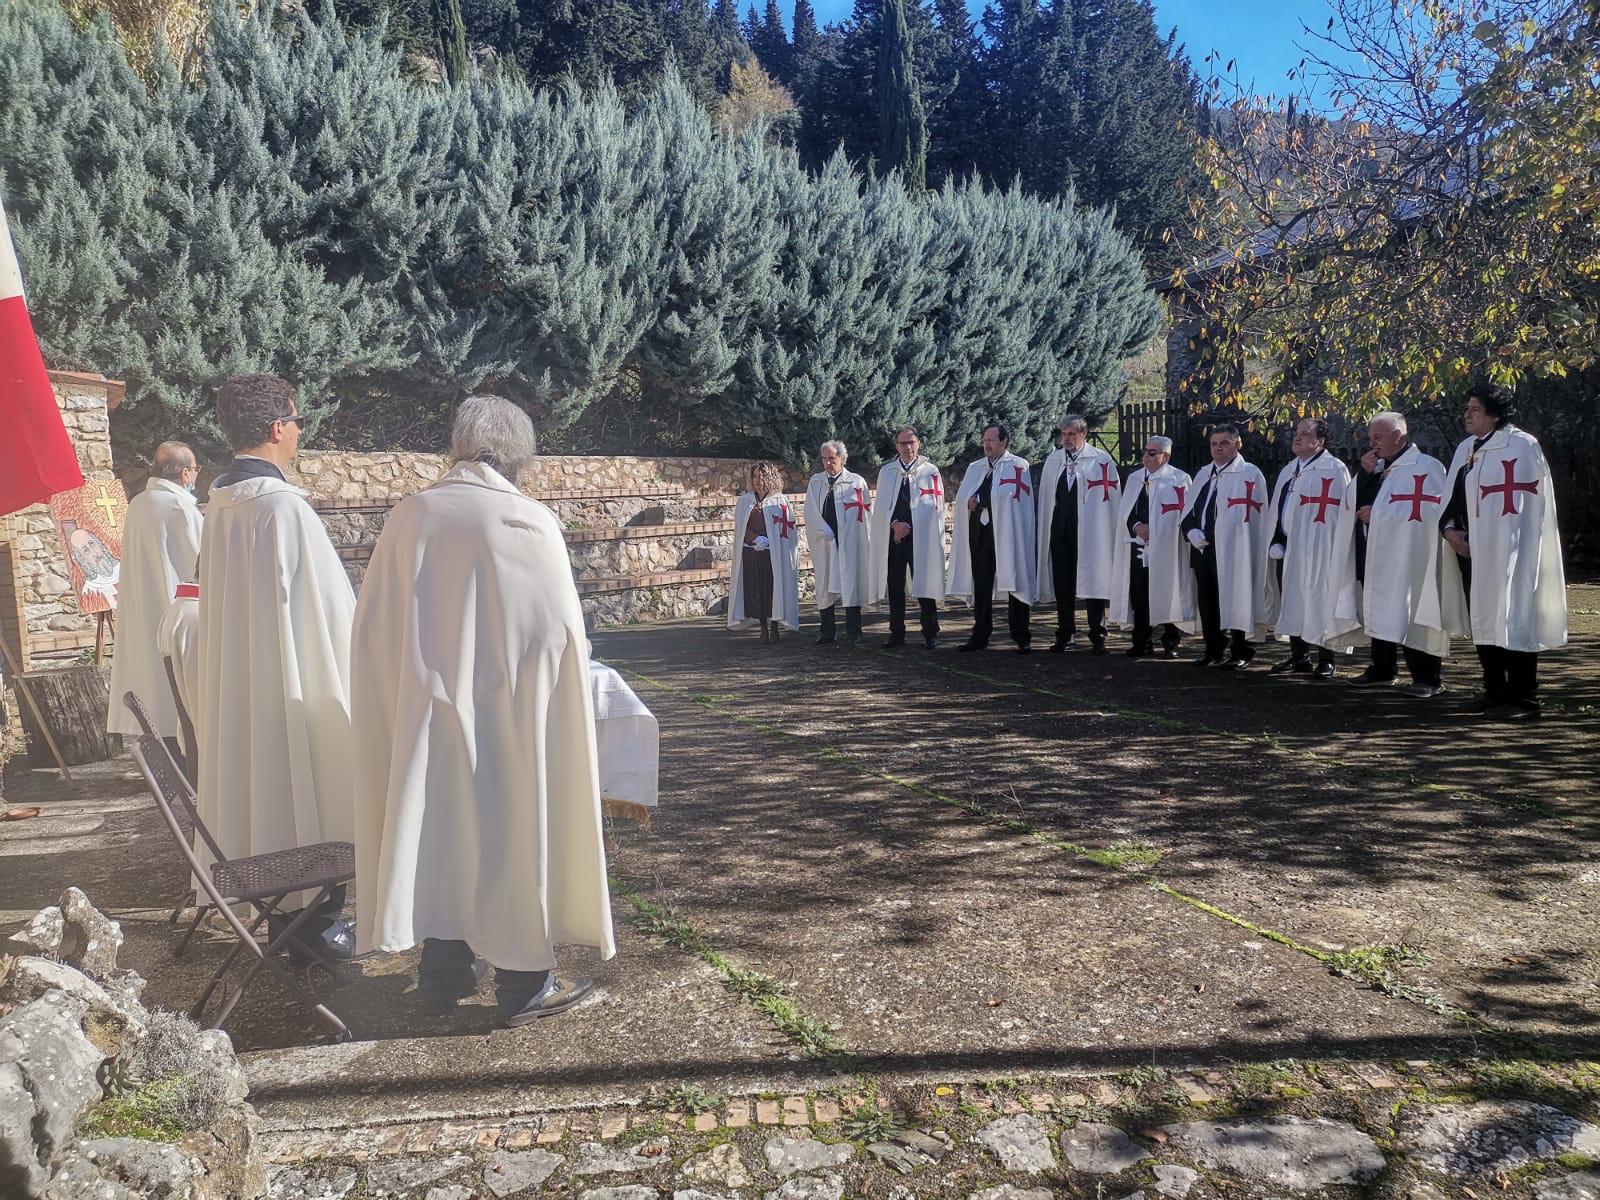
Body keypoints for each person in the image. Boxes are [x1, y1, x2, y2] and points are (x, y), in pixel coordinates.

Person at [352, 396, 613, 1024]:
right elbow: (560, 635)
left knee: (443, 832)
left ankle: (441, 977)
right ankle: (524, 985)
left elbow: (372, 628)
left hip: (426, 718)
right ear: (517, 457)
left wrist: (406, 694)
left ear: (458, 446)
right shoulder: (529, 521)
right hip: (510, 718)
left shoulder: (411, 515)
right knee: (513, 833)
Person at [195, 374, 355, 962]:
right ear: (276, 428)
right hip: (293, 682)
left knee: (270, 788)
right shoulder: (284, 509)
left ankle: (287, 927)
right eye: (297, 421)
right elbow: (335, 613)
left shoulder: (218, 507)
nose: (299, 433)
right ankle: (318, 927)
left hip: (245, 687)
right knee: (312, 779)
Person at [1439, 384, 1567, 718]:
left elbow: (1528, 503)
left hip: (1510, 551)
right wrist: (1450, 531)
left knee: (1513, 613)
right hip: (1473, 551)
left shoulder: (1522, 445)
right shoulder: (1469, 448)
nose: (1467, 415)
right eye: (1467, 409)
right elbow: (1453, 497)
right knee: (1484, 618)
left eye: (1475, 410)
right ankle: (1494, 691)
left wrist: (1505, 545)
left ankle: (1524, 699)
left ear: (1495, 414)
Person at [1337, 412, 1449, 696]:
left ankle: (1426, 678)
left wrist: (1379, 514)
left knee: (1414, 612)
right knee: (1381, 607)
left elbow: (1429, 511)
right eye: (1370, 437)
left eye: (1378, 437)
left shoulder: (1426, 467)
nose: (1372, 444)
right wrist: (1363, 474)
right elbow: (1352, 502)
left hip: (1411, 555)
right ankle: (1382, 669)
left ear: (1397, 436)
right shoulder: (1379, 466)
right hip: (1378, 552)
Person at [106, 441, 203, 767]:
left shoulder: (139, 503)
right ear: (186, 472)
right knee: (177, 696)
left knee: (153, 691)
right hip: (173, 612)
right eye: (195, 471)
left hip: (142, 609)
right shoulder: (180, 508)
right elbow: (201, 563)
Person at [1263, 418, 1350, 679]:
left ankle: (1327, 658)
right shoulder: (1290, 469)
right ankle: (1299, 657)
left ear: (1320, 442)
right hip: (1292, 547)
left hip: (1320, 545)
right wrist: (1277, 538)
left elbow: (1342, 511)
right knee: (1294, 599)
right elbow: (1280, 509)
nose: (1296, 437)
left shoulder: (1334, 469)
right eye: (1296, 432)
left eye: (1304, 434)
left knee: (1320, 597)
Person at [1179, 424, 1270, 668]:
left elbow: (1253, 516)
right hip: (1203, 548)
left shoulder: (1249, 474)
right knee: (1208, 600)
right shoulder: (1203, 473)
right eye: (1214, 444)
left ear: (1237, 444)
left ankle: (1240, 650)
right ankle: (1213, 649)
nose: (1218, 448)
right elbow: (1188, 510)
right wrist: (1191, 530)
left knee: (1237, 595)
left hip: (1234, 548)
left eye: (1224, 443)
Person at [947, 423, 1036, 653]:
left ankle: (1021, 635)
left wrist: (983, 500)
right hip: (980, 533)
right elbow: (963, 497)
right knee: (982, 584)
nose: (987, 444)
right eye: (984, 440)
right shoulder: (976, 467)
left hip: (1007, 534)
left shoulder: (1018, 466)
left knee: (1014, 580)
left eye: (991, 440)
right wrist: (969, 502)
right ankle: (980, 634)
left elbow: (1013, 498)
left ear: (1004, 442)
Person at [1035, 415, 1120, 654]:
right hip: (1061, 532)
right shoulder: (1054, 461)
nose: (1067, 438)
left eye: (1072, 434)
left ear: (1084, 434)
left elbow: (1110, 499)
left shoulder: (1100, 461)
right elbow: (1048, 499)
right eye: (1064, 434)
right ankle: (1065, 634)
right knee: (1064, 585)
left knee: (1094, 582)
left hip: (1091, 533)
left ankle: (1098, 634)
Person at [1110, 436, 1193, 658]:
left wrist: (1157, 529)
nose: (1145, 456)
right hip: (1138, 546)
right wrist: (1137, 526)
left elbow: (1183, 513)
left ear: (1165, 456)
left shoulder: (1179, 479)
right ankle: (1142, 642)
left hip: (1166, 548)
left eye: (1152, 452)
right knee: (1139, 595)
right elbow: (1126, 512)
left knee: (1168, 592)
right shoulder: (1135, 478)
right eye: (1145, 451)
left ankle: (1171, 642)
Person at [867, 426, 945, 649]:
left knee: (924, 585)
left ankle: (931, 632)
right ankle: (896, 632)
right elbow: (881, 507)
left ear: (918, 443)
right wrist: (894, 525)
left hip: (921, 538)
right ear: (896, 446)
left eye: (911, 442)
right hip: (895, 538)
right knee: (895, 585)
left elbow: (935, 506)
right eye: (903, 443)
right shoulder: (888, 472)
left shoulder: (930, 471)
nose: (908, 447)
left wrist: (913, 525)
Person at [804, 441, 873, 646]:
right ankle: (827, 631)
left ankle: (854, 631)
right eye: (824, 459)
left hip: (849, 540)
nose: (827, 463)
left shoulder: (856, 482)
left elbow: (864, 514)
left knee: (851, 583)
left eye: (831, 459)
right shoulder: (816, 482)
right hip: (825, 541)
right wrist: (821, 528)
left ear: (842, 459)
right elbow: (809, 512)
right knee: (825, 584)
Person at [728, 462, 800, 643]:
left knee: (773, 589)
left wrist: (770, 540)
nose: (758, 481)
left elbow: (787, 529)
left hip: (772, 554)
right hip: (752, 554)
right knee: (756, 590)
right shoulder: (745, 501)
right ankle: (762, 627)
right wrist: (754, 539)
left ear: (770, 478)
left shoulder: (779, 501)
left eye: (762, 476)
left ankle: (775, 625)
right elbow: (740, 528)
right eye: (755, 477)